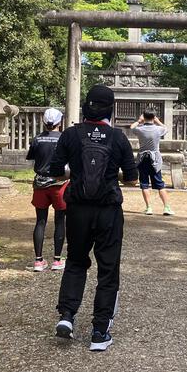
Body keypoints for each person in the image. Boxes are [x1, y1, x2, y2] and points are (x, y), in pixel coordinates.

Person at [47, 85, 138, 352]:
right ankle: (100, 330)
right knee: (108, 268)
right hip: (108, 210)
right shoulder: (118, 137)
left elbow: (55, 172)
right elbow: (132, 179)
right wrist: (114, 178)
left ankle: (67, 316)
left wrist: (77, 174)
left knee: (76, 261)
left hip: (77, 209)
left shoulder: (70, 134)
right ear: (111, 108)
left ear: (86, 106)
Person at [26, 108, 68, 272]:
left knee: (40, 221)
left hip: (40, 184)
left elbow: (31, 157)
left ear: (44, 122)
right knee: (59, 221)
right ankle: (57, 260)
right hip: (60, 185)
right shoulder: (64, 139)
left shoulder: (37, 139)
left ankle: (38, 261)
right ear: (60, 122)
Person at [130, 111, 174, 216]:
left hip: (143, 158)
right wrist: (158, 121)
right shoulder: (158, 129)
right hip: (155, 159)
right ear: (153, 117)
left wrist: (139, 121)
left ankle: (149, 207)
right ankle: (166, 207)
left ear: (144, 117)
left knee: (144, 184)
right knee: (160, 184)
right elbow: (166, 128)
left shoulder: (140, 129)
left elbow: (132, 127)